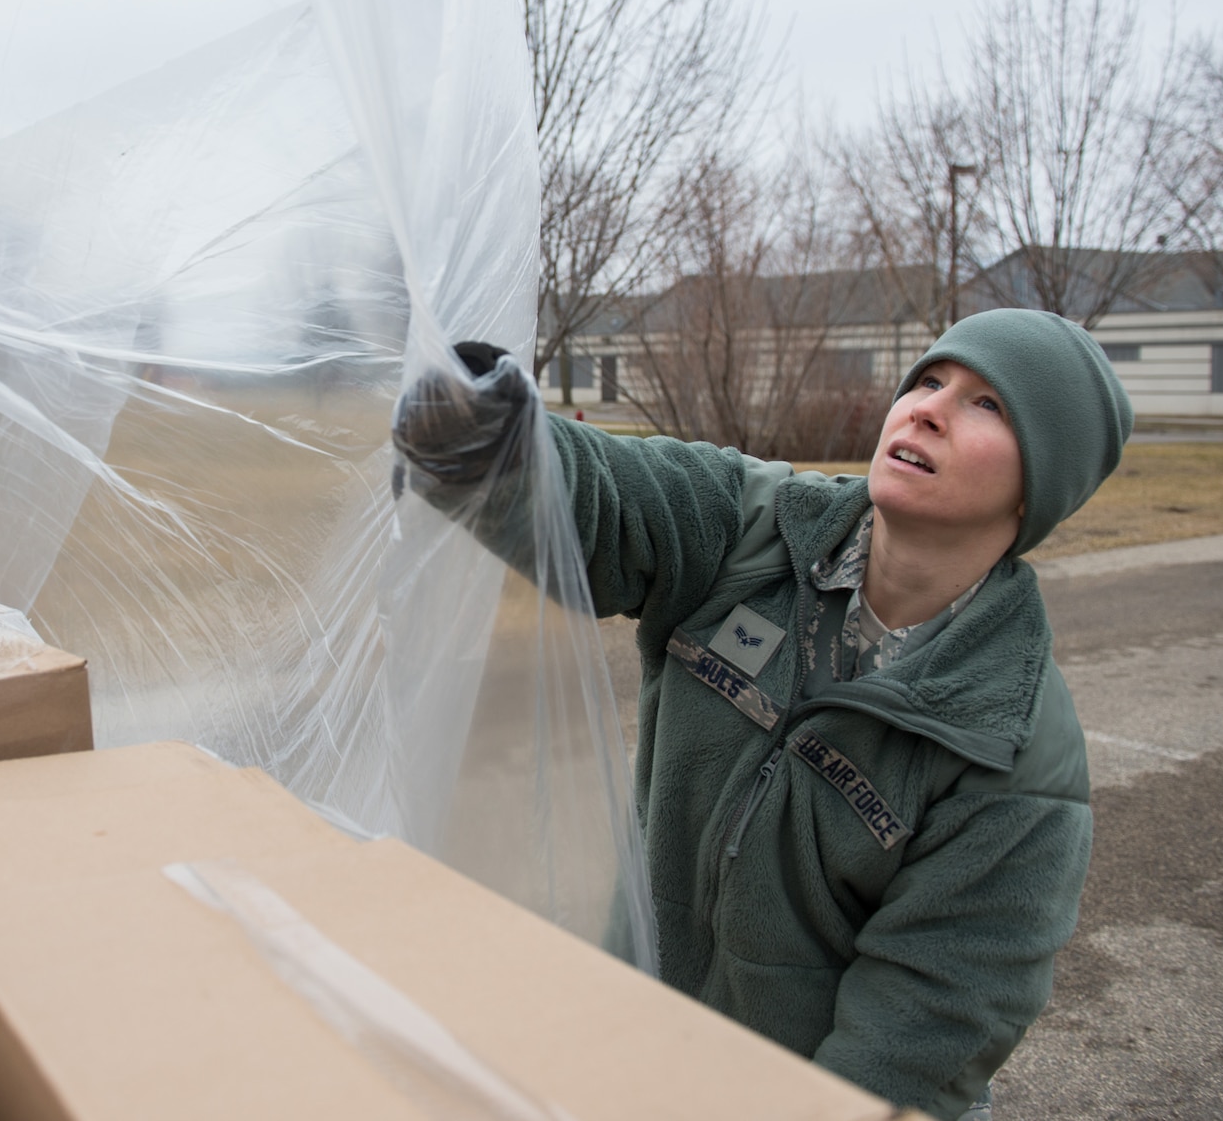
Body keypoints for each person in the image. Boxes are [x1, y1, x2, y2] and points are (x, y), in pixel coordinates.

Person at [390, 310, 1133, 1121]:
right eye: (928, 379)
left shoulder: (1012, 749)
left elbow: (923, 1031)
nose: (927, 408)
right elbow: (613, 497)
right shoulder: (758, 528)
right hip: (635, 1042)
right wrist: (489, 437)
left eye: (988, 404)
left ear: (1040, 485)